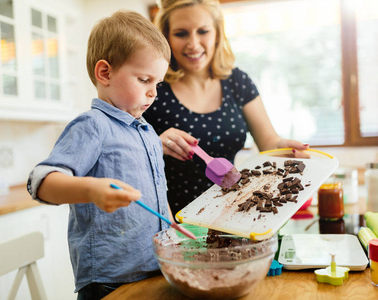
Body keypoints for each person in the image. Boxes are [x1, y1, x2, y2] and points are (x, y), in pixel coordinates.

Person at [26, 10, 171, 300]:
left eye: (158, 83)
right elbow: (40, 182)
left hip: (156, 270)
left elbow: (158, 197)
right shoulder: (93, 125)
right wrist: (91, 189)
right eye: (144, 79)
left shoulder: (149, 133)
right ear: (105, 73)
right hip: (109, 283)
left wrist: (172, 228)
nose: (153, 93)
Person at [144, 0, 309, 216]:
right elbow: (128, 157)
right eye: (181, 33)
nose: (193, 43)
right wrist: (155, 144)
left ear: (217, 34)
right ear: (165, 37)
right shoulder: (152, 88)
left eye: (203, 31)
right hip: (173, 221)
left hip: (232, 215)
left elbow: (269, 143)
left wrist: (286, 149)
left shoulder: (237, 82)